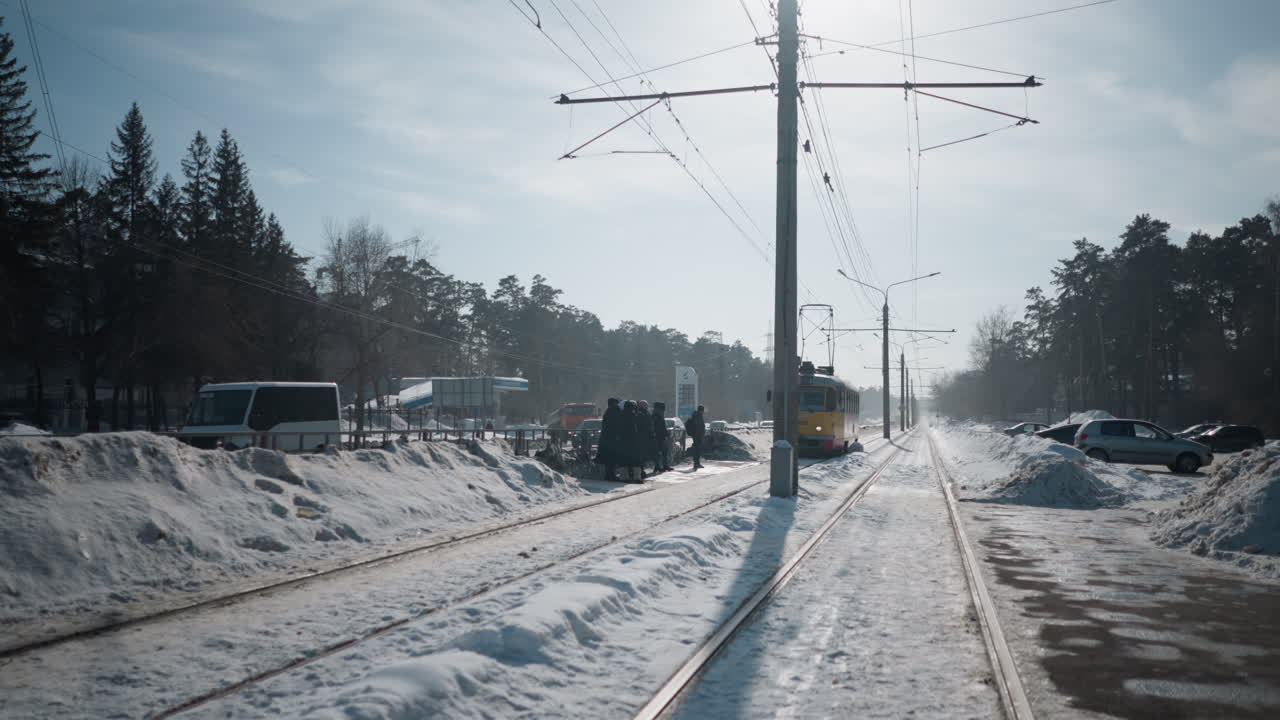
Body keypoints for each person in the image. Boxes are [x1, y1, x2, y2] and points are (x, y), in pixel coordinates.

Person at [596, 398, 623, 481]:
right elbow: (618, 425)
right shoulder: (616, 411)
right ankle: (611, 475)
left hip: (606, 439)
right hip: (613, 439)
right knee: (613, 458)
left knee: (608, 459)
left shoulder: (607, 412)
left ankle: (609, 474)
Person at [636, 400, 655, 478]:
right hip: (643, 437)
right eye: (645, 405)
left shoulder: (645, 413)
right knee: (641, 455)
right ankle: (641, 471)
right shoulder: (641, 414)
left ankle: (642, 470)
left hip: (645, 437)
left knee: (643, 455)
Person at [651, 401, 672, 472]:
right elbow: (659, 427)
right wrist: (665, 433)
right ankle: (658, 466)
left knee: (664, 452)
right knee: (659, 452)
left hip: (661, 436)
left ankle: (663, 466)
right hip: (658, 436)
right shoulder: (656, 415)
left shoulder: (658, 415)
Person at [685, 405, 706, 470]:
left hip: (697, 436)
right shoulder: (698, 416)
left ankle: (697, 463)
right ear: (701, 410)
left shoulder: (696, 415)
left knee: (697, 450)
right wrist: (699, 436)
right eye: (703, 410)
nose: (703, 412)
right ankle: (696, 464)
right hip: (697, 436)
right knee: (697, 450)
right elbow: (698, 427)